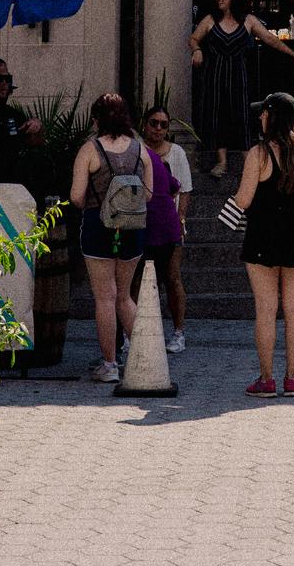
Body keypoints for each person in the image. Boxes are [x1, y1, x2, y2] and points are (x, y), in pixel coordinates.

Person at [233, 90, 294, 397]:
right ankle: (292, 378)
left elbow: (243, 199)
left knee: (265, 310)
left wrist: (226, 216)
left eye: (264, 112)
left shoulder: (258, 154)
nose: (260, 116)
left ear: (272, 117)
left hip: (262, 236)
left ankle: (266, 379)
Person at [70, 92, 153, 384]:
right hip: (132, 228)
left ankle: (109, 365)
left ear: (96, 119)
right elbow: (150, 193)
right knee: (125, 296)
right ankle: (146, 357)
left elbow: (76, 197)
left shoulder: (90, 150)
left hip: (98, 227)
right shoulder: (140, 149)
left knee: (104, 297)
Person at [190, 0, 294, 179]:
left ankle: (248, 161)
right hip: (215, 74)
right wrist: (197, 50)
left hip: (238, 74)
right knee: (218, 112)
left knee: (241, 114)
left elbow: (269, 38)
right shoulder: (210, 20)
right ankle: (222, 161)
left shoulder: (248, 21)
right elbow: (193, 39)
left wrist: (292, 53)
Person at [132, 105, 192, 353]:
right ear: (145, 124)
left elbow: (185, 189)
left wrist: (180, 217)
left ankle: (178, 333)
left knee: (172, 278)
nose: (158, 128)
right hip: (140, 223)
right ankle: (131, 332)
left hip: (168, 225)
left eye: (163, 124)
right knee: (135, 280)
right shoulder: (136, 150)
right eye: (154, 123)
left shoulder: (176, 153)